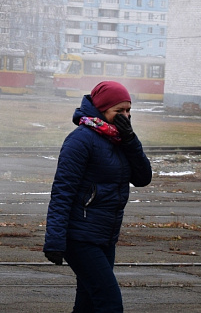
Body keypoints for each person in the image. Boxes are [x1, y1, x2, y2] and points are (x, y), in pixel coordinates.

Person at [44, 81, 153, 312]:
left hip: (105, 236)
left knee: (88, 304)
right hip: (80, 237)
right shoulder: (80, 140)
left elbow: (143, 177)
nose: (125, 116)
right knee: (109, 302)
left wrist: (131, 140)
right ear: (102, 110)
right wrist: (54, 240)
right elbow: (62, 192)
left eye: (128, 111)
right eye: (119, 111)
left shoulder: (119, 139)